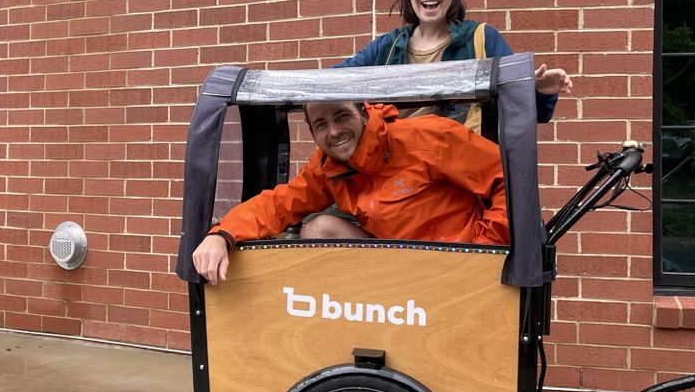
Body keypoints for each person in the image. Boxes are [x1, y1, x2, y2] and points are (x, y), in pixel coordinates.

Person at [192, 99, 508, 285]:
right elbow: (279, 203)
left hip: (460, 263)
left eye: (342, 116)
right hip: (399, 273)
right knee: (319, 228)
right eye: (321, 124)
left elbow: (507, 179)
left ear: (363, 112)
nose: (334, 131)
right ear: (313, 133)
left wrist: (484, 252)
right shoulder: (328, 166)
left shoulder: (429, 135)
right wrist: (222, 235)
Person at [336, 0, 573, 128]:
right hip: (397, 167)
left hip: (463, 167)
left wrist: (538, 89)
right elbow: (334, 83)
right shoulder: (386, 47)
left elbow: (529, 111)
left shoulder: (482, 39)